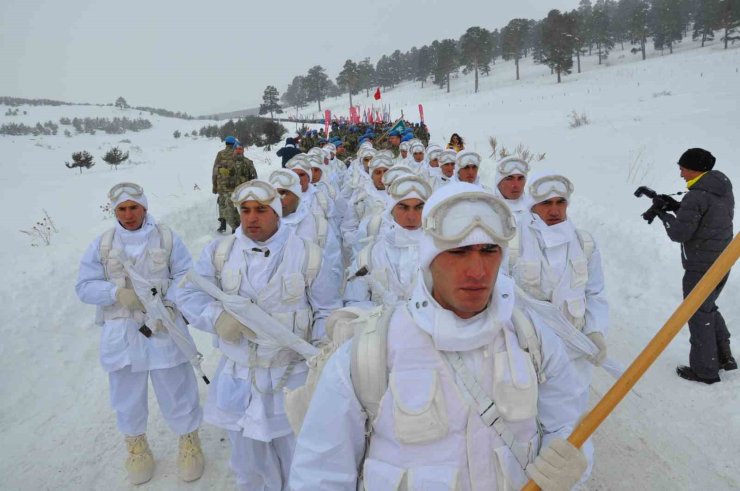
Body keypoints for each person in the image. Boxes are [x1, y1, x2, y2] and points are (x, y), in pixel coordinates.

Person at [290, 182, 586, 490]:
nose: (477, 271)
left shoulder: (532, 339)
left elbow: (566, 426)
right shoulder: (369, 353)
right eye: (458, 252)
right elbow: (321, 474)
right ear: (429, 258)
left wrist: (571, 467)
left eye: (489, 251)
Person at [177, 180, 341, 490]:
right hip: (241, 376)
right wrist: (217, 317)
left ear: (277, 213)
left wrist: (321, 353)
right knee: (248, 464)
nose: (252, 218)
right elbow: (187, 293)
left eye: (261, 210)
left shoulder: (308, 255)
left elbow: (327, 311)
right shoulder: (219, 252)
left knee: (299, 459)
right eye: (245, 210)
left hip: (292, 376)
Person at [75, 183, 204, 485]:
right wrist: (114, 293)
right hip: (121, 332)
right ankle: (137, 449)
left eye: (134, 207)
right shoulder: (102, 245)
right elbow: (83, 286)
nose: (129, 214)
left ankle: (188, 443)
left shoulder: (167, 238)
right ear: (114, 211)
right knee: (126, 396)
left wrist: (167, 301)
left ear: (144, 208)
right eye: (122, 209)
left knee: (176, 387)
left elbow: (187, 276)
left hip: (163, 328)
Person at [508, 173, 609, 479]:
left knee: (571, 422)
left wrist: (595, 330)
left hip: (573, 353)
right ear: (532, 205)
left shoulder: (584, 242)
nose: (554, 210)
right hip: (527, 351)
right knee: (526, 419)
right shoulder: (512, 242)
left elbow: (595, 292)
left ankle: (572, 481)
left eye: (560, 202)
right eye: (546, 203)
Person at [654, 148, 736, 384]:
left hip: (701, 263)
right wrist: (678, 207)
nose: (680, 173)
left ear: (694, 169)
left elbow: (679, 234)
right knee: (706, 306)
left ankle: (705, 370)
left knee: (697, 312)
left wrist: (664, 215)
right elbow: (705, 216)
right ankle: (724, 356)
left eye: (682, 168)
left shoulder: (697, 195)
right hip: (722, 258)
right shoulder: (720, 186)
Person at [344, 175, 432, 308]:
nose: (411, 217)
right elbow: (354, 304)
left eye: (419, 207)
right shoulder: (368, 256)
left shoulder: (440, 255)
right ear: (391, 209)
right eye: (403, 207)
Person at [213, 136, 241, 233]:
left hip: (221, 185)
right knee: (232, 205)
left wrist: (214, 186)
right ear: (233, 144)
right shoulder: (236, 155)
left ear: (226, 143)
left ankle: (222, 225)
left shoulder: (220, 154)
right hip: (232, 185)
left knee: (221, 203)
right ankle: (234, 227)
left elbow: (215, 170)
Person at [493, 157, 531, 222]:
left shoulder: (535, 210)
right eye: (509, 179)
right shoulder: (488, 209)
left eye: (520, 178)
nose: (516, 185)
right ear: (498, 183)